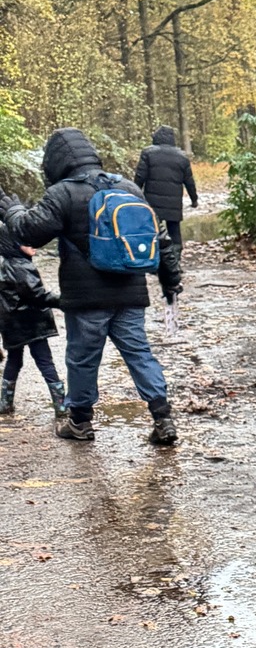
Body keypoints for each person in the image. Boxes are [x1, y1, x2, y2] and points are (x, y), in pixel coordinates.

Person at [0, 128, 177, 446]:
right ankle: (163, 418)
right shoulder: (127, 187)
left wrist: (11, 210)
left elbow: (29, 232)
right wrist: (170, 280)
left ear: (56, 161)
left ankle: (80, 423)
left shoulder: (63, 193)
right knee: (139, 354)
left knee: (82, 359)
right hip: (131, 293)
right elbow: (159, 236)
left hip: (86, 298)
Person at [133, 125, 198, 336]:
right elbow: (189, 180)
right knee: (175, 234)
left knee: (153, 234)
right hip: (173, 204)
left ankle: (154, 263)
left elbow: (140, 176)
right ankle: (174, 265)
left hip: (152, 204)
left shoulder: (148, 153)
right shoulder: (181, 156)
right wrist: (194, 199)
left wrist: (133, 193)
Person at [0, 222, 66, 419]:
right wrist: (63, 301)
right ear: (14, 243)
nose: (33, 245)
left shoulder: (5, 264)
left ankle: (5, 402)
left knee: (14, 360)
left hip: (12, 324)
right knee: (45, 361)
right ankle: (61, 405)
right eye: (27, 242)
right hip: (31, 323)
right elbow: (37, 294)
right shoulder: (21, 266)